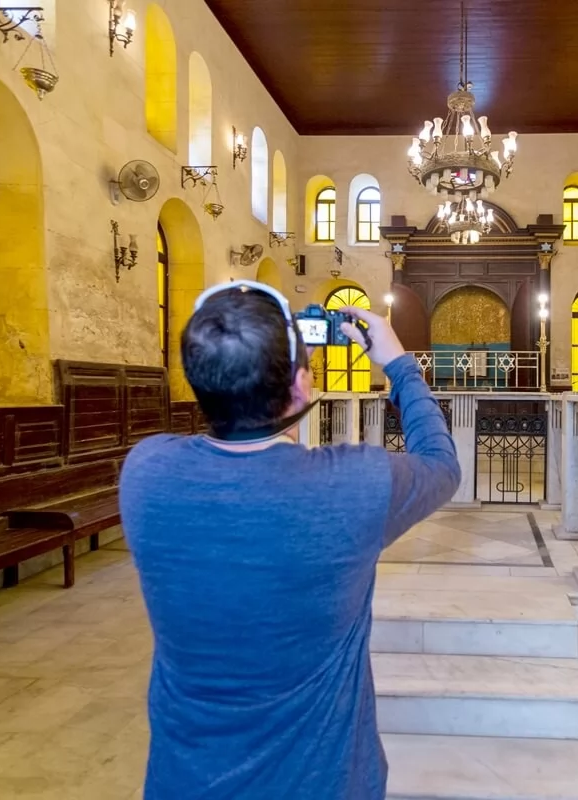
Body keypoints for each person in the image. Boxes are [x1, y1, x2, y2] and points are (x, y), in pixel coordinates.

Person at [119, 280, 461, 800]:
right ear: (302, 388)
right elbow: (441, 462)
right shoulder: (355, 485)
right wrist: (397, 363)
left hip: (185, 781)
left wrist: (266, 370)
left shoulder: (145, 472)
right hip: (322, 782)